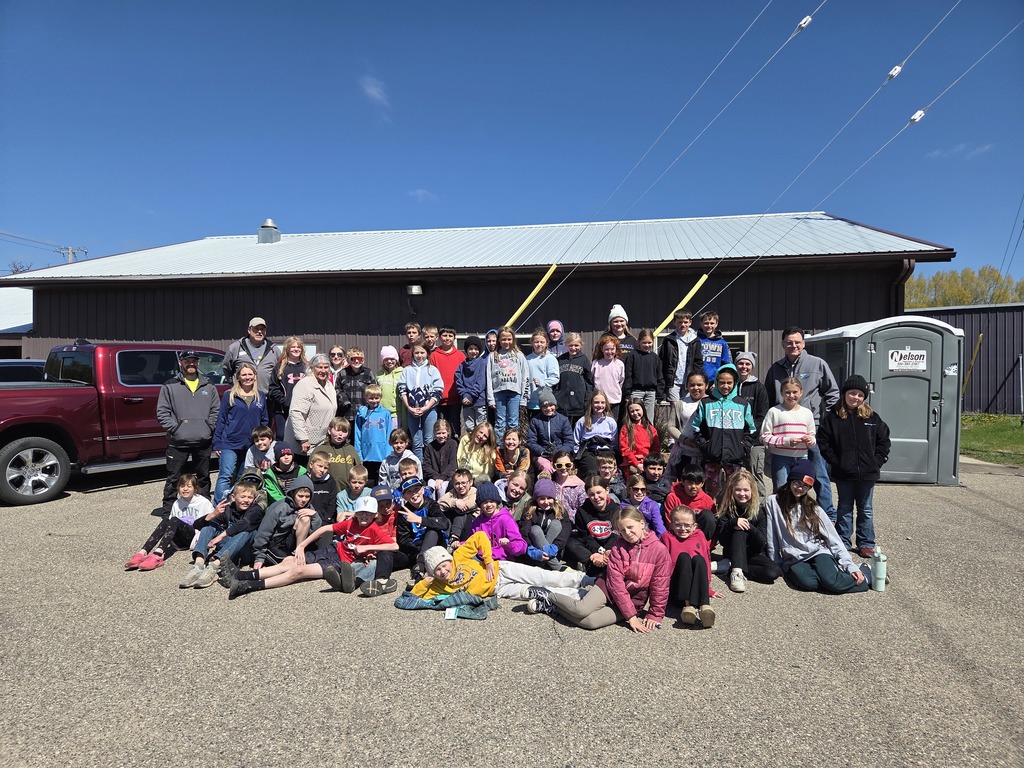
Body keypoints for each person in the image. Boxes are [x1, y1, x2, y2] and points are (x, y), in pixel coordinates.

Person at [541, 506, 670, 633]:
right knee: (581, 610)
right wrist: (631, 617)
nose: (628, 533)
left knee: (591, 622)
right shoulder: (618, 548)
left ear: (642, 523)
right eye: (622, 531)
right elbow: (616, 583)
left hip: (633, 598)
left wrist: (655, 614)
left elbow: (660, 585)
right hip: (608, 588)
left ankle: (551, 607)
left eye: (630, 527)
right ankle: (547, 595)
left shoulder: (659, 550)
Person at [764, 326, 840, 521]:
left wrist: (826, 421)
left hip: (811, 432)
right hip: (784, 435)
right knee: (784, 479)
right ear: (783, 345)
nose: (793, 345)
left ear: (803, 343)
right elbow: (769, 398)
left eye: (797, 342)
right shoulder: (775, 368)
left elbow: (832, 394)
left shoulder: (817, 364)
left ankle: (827, 517)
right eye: (789, 342)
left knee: (819, 477)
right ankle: (786, 516)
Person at [764, 460, 869, 594]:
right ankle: (835, 577)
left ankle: (866, 577)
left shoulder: (813, 508)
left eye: (805, 486)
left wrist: (850, 566)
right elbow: (771, 535)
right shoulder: (773, 501)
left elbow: (833, 538)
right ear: (790, 480)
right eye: (797, 483)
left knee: (832, 582)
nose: (800, 488)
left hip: (818, 551)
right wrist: (776, 563)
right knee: (808, 583)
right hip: (794, 558)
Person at [403, 532, 591, 605]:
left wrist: (488, 561)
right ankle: (580, 595)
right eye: (438, 570)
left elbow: (480, 537)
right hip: (498, 590)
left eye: (444, 565)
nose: (443, 571)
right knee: (538, 592)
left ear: (449, 560)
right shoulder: (436, 585)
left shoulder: (458, 556)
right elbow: (416, 598)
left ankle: (587, 580)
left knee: (543, 576)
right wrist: (424, 582)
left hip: (501, 569)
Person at [817, 374, 891, 558]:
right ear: (844, 394)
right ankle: (843, 540)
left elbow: (884, 441)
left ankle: (866, 542)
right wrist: (837, 462)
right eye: (852, 393)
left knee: (866, 509)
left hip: (868, 473)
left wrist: (877, 461)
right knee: (844, 508)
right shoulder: (833, 417)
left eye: (859, 395)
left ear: (863, 397)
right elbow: (824, 442)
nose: (855, 398)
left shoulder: (872, 418)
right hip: (844, 473)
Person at [156, 350, 220, 513]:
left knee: (203, 478)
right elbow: (162, 412)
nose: (191, 364)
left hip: (203, 441)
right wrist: (176, 429)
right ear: (180, 363)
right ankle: (169, 512)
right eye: (187, 360)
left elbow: (216, 411)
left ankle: (204, 510)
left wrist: (208, 428)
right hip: (178, 442)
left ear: (198, 363)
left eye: (194, 361)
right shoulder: (169, 386)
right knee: (174, 478)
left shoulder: (209, 385)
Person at [179, 479, 264, 589]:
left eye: (250, 497)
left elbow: (244, 523)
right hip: (227, 549)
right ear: (233, 497)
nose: (246, 500)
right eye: (243, 497)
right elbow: (196, 525)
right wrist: (213, 514)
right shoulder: (228, 509)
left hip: (245, 551)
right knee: (209, 526)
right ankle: (198, 565)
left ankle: (213, 567)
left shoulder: (256, 510)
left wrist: (220, 536)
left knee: (246, 531)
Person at [691, 363, 755, 500]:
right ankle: (711, 516)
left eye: (729, 383)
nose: (725, 386)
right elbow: (696, 428)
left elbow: (751, 430)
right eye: (722, 382)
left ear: (735, 383)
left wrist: (743, 448)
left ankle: (731, 517)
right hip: (712, 456)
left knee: (734, 491)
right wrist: (705, 446)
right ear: (716, 382)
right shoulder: (706, 403)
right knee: (710, 491)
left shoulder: (742, 404)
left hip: (734, 457)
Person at [124, 474, 213, 572]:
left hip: (194, 538)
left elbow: (211, 523)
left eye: (189, 486)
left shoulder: (203, 502)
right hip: (178, 540)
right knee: (167, 519)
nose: (185, 489)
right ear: (178, 488)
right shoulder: (177, 503)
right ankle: (143, 552)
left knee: (174, 519)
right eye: (182, 486)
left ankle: (158, 554)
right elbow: (170, 525)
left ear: (195, 488)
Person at [714, 469, 782, 593]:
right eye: (738, 490)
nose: (742, 493)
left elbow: (762, 543)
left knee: (773, 572)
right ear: (731, 491)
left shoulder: (759, 512)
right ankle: (736, 574)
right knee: (739, 529)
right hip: (733, 551)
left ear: (752, 491)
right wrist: (732, 522)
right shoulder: (727, 511)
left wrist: (750, 528)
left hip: (753, 553)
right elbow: (723, 541)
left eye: (746, 490)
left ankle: (730, 567)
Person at [211, 362, 269, 503]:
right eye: (244, 374)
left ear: (255, 376)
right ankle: (218, 506)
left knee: (242, 477)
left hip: (251, 444)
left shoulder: (260, 396)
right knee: (226, 475)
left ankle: (235, 504)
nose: (247, 377)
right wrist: (217, 443)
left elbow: (264, 420)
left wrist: (262, 440)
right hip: (230, 442)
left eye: (250, 374)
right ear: (238, 377)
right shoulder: (229, 395)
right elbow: (222, 419)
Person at [321, 496, 401, 594]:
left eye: (388, 504)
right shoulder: (370, 520)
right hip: (371, 551)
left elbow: (394, 544)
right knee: (358, 564)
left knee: (373, 564)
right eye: (381, 506)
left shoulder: (395, 516)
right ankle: (343, 581)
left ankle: (356, 583)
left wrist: (370, 549)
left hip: (384, 552)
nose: (385, 508)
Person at [248, 475, 320, 571]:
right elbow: (264, 532)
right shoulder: (280, 507)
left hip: (293, 542)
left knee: (305, 518)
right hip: (276, 543)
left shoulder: (309, 507)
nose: (303, 500)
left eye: (307, 497)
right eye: (300, 496)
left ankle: (298, 553)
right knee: (286, 565)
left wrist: (315, 516)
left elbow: (314, 534)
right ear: (293, 493)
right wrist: (259, 556)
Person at [661, 505, 716, 627]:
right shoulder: (667, 537)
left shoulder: (699, 535)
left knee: (699, 559)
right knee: (684, 557)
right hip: (677, 590)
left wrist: (708, 589)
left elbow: (706, 562)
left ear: (694, 526)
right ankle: (688, 607)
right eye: (678, 524)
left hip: (696, 590)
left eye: (687, 525)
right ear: (671, 524)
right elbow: (662, 565)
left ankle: (705, 606)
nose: (682, 528)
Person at [760, 377, 816, 492]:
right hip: (780, 458)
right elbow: (764, 437)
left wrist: (810, 441)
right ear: (781, 393)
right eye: (787, 392)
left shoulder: (807, 413)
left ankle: (798, 510)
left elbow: (812, 436)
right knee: (782, 489)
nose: (791, 395)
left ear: (801, 392)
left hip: (802, 458)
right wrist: (787, 441)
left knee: (800, 489)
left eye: (795, 392)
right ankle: (781, 510)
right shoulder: (774, 412)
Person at [284, 354, 338, 458]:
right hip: (304, 443)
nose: (323, 370)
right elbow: (296, 412)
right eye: (319, 367)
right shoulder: (305, 385)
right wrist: (302, 438)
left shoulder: (329, 385)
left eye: (326, 367)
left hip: (321, 441)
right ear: (312, 368)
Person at [565, 476, 622, 575]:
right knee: (571, 542)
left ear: (607, 490)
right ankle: (595, 564)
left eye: (599, 492)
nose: (596, 497)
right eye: (592, 494)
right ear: (587, 495)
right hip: (592, 549)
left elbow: (616, 534)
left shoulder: (617, 510)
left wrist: (607, 551)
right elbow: (584, 536)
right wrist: (597, 552)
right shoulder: (582, 512)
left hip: (610, 547)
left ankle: (597, 567)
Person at [397, 342, 442, 461]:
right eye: (416, 353)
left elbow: (438, 391)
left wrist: (426, 407)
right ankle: (418, 467)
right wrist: (408, 407)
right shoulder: (407, 370)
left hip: (429, 409)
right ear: (412, 354)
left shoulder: (432, 370)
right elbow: (402, 390)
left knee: (429, 440)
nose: (419, 355)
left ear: (427, 353)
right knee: (416, 441)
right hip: (412, 409)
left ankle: (428, 466)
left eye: (422, 352)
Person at [734, 351, 770, 498]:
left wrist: (748, 435)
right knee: (736, 477)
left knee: (755, 475)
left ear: (752, 366)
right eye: (741, 363)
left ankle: (761, 508)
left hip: (754, 440)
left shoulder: (758, 387)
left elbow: (762, 415)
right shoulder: (729, 384)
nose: (744, 366)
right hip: (733, 440)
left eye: (747, 364)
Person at [465, 481, 527, 561]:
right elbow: (471, 543)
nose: (489, 505)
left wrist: (509, 544)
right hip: (482, 559)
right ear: (480, 505)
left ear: (497, 502)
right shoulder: (477, 522)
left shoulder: (506, 519)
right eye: (485, 502)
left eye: (491, 501)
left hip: (502, 561)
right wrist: (459, 544)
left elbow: (522, 546)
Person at [486, 326, 530, 439]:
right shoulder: (493, 356)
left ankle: (512, 446)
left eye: (509, 339)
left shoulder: (519, 356)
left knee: (513, 423)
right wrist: (490, 398)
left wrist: (524, 398)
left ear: (513, 339)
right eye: (503, 339)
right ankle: (500, 448)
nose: (506, 342)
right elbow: (489, 378)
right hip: (499, 393)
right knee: (500, 422)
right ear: (499, 340)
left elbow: (525, 376)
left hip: (515, 394)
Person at [518, 478, 569, 570]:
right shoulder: (530, 510)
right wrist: (531, 549)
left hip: (555, 550)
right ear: (536, 499)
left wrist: (556, 546)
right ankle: (556, 567)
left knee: (556, 524)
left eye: (549, 498)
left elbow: (566, 530)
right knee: (535, 529)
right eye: (542, 498)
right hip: (536, 551)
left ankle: (543, 562)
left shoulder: (560, 510)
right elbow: (524, 531)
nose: (546, 502)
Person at [667, 370, 709, 477]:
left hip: (705, 455)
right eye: (692, 385)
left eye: (699, 385)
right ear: (687, 386)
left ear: (706, 386)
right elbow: (671, 426)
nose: (696, 388)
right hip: (684, 453)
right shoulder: (681, 403)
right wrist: (684, 440)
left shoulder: (712, 403)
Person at [222, 317, 277, 394]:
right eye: (256, 329)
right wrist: (233, 384)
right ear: (249, 330)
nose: (259, 331)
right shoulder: (235, 348)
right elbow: (227, 368)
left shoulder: (274, 349)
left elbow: (279, 371)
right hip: (242, 395)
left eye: (262, 329)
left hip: (267, 397)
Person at [663, 463, 715, 541]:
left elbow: (712, 527)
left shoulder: (707, 500)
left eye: (697, 483)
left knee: (708, 515)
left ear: (702, 484)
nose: (693, 487)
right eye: (690, 483)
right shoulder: (673, 497)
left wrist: (707, 547)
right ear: (683, 482)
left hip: (699, 539)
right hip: (678, 534)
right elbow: (669, 522)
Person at [268, 336, 308, 440]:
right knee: (282, 435)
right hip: (282, 410)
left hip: (303, 409)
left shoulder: (307, 367)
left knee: (300, 436)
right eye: (293, 347)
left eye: (298, 347)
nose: (296, 349)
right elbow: (273, 388)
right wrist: (285, 401)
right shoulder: (279, 367)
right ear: (287, 349)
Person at [572, 390, 617, 480]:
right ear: (591, 404)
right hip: (588, 451)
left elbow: (614, 442)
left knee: (606, 469)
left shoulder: (610, 422)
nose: (599, 405)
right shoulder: (583, 421)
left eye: (602, 402)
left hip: (605, 451)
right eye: (596, 402)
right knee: (591, 472)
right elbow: (576, 441)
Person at [527, 389, 573, 476]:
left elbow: (569, 441)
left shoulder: (563, 420)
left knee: (562, 466)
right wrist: (542, 451)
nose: (548, 408)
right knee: (547, 468)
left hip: (560, 454)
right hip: (542, 455)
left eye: (551, 405)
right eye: (545, 406)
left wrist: (560, 452)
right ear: (541, 407)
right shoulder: (535, 421)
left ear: (555, 405)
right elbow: (531, 441)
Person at [353, 383, 393, 485]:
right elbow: (357, 434)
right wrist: (359, 453)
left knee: (381, 480)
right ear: (366, 398)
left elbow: (389, 434)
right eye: (371, 398)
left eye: (376, 398)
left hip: (382, 453)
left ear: (380, 397)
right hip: (367, 453)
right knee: (368, 480)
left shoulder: (386, 413)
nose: (374, 401)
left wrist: (389, 453)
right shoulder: (361, 413)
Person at [430, 325, 466, 435]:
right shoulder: (434, 355)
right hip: (439, 399)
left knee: (455, 427)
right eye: (444, 335)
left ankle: (454, 449)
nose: (447, 338)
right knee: (441, 427)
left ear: (454, 338)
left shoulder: (460, 356)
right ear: (439, 337)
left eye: (450, 336)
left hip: (455, 398)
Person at [659, 309, 701, 403]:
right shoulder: (669, 339)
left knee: (688, 405)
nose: (683, 325)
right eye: (680, 322)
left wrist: (694, 376)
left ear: (690, 322)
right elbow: (662, 360)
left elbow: (698, 361)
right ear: (674, 322)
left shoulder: (695, 340)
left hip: (689, 380)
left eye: (686, 322)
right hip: (673, 381)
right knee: (675, 406)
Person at [554, 331, 594, 428]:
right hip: (562, 403)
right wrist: (556, 395)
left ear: (581, 345)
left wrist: (586, 399)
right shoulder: (560, 360)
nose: (573, 348)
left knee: (577, 428)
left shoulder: (584, 360)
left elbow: (589, 382)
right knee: (563, 428)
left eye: (576, 345)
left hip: (578, 403)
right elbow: (555, 380)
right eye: (570, 345)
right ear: (567, 345)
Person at [622, 329, 663, 422]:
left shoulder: (655, 357)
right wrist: (627, 393)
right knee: (634, 418)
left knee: (649, 419)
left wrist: (659, 394)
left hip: (651, 393)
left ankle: (648, 436)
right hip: (636, 391)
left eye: (649, 342)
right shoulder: (632, 355)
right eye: (644, 342)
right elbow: (628, 375)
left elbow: (660, 376)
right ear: (639, 341)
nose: (647, 345)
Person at [455, 335, 488, 435]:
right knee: (469, 428)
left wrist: (470, 395)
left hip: (479, 402)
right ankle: (472, 448)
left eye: (476, 349)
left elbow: (481, 382)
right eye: (470, 349)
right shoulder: (461, 366)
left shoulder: (483, 363)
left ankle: (481, 449)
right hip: (466, 403)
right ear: (466, 350)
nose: (473, 351)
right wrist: (465, 395)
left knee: (481, 428)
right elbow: (458, 382)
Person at [619, 399, 661, 477]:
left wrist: (649, 463)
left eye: (637, 410)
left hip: (647, 463)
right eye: (632, 411)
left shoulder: (651, 429)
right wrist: (636, 464)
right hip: (631, 464)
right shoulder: (626, 428)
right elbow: (625, 449)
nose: (635, 413)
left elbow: (656, 448)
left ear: (643, 410)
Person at [335, 346, 377, 419]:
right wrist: (344, 401)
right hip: (346, 415)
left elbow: (374, 391)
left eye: (360, 359)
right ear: (348, 360)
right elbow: (337, 389)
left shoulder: (368, 373)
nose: (357, 361)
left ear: (363, 360)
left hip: (364, 414)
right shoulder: (342, 373)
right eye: (353, 359)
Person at [525, 328, 560, 416]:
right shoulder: (527, 358)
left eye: (542, 342)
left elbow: (555, 378)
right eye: (536, 342)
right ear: (532, 343)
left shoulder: (550, 358)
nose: (539, 344)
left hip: (544, 402)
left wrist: (542, 382)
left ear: (546, 343)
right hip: (529, 401)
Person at [591, 335, 625, 419]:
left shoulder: (619, 364)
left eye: (612, 349)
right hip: (599, 401)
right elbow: (592, 380)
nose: (609, 352)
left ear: (616, 349)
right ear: (602, 349)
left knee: (612, 423)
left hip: (614, 400)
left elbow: (621, 381)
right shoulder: (596, 363)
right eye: (606, 349)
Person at [423, 418, 457, 498]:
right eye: (438, 433)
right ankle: (431, 507)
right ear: (434, 433)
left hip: (448, 477)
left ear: (448, 432)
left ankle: (442, 508)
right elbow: (426, 466)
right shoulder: (430, 447)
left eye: (443, 433)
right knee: (430, 488)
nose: (441, 436)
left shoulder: (452, 444)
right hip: (433, 477)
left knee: (441, 488)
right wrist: (437, 477)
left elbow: (452, 464)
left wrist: (442, 478)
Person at [550, 451, 587, 522]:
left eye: (567, 465)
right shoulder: (549, 483)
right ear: (554, 466)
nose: (564, 468)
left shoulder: (579, 485)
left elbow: (583, 509)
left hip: (573, 523)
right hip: (551, 521)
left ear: (572, 465)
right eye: (559, 465)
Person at [695, 310, 732, 382]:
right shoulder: (695, 340)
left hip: (715, 381)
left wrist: (719, 381)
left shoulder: (722, 343)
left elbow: (726, 364)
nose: (709, 326)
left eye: (712, 323)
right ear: (701, 324)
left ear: (716, 324)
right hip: (698, 380)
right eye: (706, 323)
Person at [624, 473, 665, 538]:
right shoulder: (623, 506)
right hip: (629, 538)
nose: (640, 492)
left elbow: (658, 525)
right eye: (636, 489)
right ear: (629, 490)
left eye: (643, 489)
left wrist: (663, 539)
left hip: (648, 537)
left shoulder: (652, 505)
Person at [377, 346, 405, 431]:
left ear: (396, 359)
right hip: (381, 413)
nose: (389, 361)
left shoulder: (402, 373)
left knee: (394, 437)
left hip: (396, 414)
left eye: (392, 358)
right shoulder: (379, 374)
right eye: (386, 359)